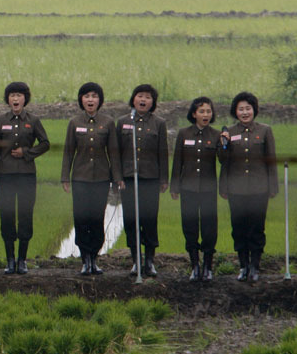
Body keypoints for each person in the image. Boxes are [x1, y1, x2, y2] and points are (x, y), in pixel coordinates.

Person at [60, 82, 122, 276]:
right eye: (86, 96)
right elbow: (68, 152)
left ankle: (94, 257)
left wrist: (117, 178)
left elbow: (114, 153)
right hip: (80, 178)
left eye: (94, 96)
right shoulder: (74, 122)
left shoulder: (108, 123)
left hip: (101, 178)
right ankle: (84, 258)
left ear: (99, 100)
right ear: (81, 100)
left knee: (97, 217)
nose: (90, 100)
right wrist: (65, 177)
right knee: (81, 217)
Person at [219, 91, 278, 283]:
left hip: (259, 189)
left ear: (254, 110)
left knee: (256, 227)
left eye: (248, 108)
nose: (245, 112)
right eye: (240, 109)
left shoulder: (264, 130)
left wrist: (272, 186)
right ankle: (243, 265)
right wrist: (224, 144)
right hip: (236, 189)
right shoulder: (229, 131)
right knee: (238, 228)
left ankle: (255, 266)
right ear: (235, 112)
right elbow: (223, 161)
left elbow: (271, 160)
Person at [0, 80, 50, 275]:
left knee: (25, 215)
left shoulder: (32, 120)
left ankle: (22, 260)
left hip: (26, 175)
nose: (15, 99)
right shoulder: (1, 120)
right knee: (7, 215)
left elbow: (45, 143)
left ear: (25, 99)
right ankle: (9, 260)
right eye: (12, 95)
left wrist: (27, 152)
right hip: (5, 176)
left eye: (19, 95)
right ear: (7, 99)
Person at [116, 84, 169, 278]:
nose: (143, 100)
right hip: (129, 179)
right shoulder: (123, 122)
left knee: (149, 219)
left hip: (150, 178)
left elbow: (163, 153)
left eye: (147, 97)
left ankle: (149, 261)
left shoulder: (159, 123)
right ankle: (136, 260)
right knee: (131, 220)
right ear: (133, 99)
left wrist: (164, 179)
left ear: (152, 102)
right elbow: (117, 153)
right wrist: (118, 177)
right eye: (140, 96)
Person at [170, 97, 221, 281]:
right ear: (194, 114)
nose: (205, 115)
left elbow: (223, 159)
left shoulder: (216, 135)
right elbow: (178, 162)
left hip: (208, 189)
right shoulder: (184, 134)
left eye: (208, 111)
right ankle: (195, 266)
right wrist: (174, 186)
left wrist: (225, 144)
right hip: (188, 188)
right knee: (190, 226)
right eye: (202, 111)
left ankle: (208, 266)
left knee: (209, 228)